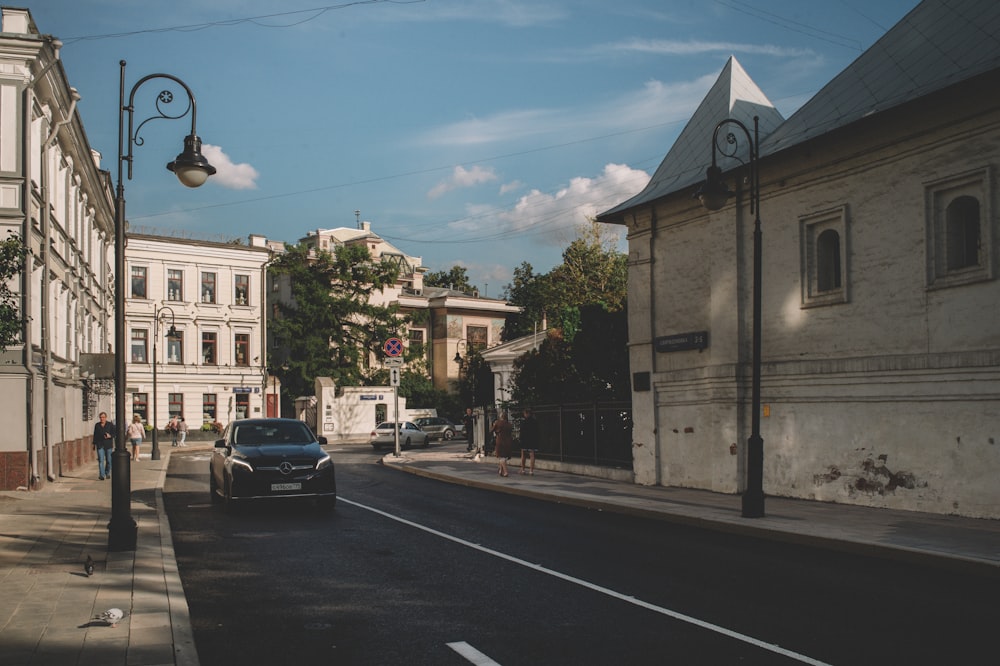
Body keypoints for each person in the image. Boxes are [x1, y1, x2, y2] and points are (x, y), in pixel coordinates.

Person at [92, 412, 115, 480]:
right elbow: (95, 435)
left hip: (108, 444)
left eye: (103, 417)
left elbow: (114, 433)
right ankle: (102, 475)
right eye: (101, 417)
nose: (102, 419)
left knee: (109, 460)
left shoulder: (110, 425)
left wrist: (110, 436)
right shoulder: (97, 425)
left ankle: (107, 472)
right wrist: (94, 444)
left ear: (106, 417)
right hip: (100, 444)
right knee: (101, 460)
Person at [490, 411, 513, 477]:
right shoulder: (509, 424)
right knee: (504, 456)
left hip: (500, 441)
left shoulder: (498, 423)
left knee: (501, 457)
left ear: (501, 416)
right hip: (508, 442)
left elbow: (491, 430)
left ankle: (505, 472)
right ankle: (501, 470)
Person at [518, 408, 539, 475]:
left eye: (524, 413)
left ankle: (523, 470)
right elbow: (537, 431)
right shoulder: (535, 421)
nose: (524, 415)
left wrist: (520, 439)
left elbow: (521, 431)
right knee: (532, 455)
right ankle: (531, 471)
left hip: (524, 440)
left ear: (527, 413)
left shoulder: (523, 422)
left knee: (523, 454)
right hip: (533, 440)